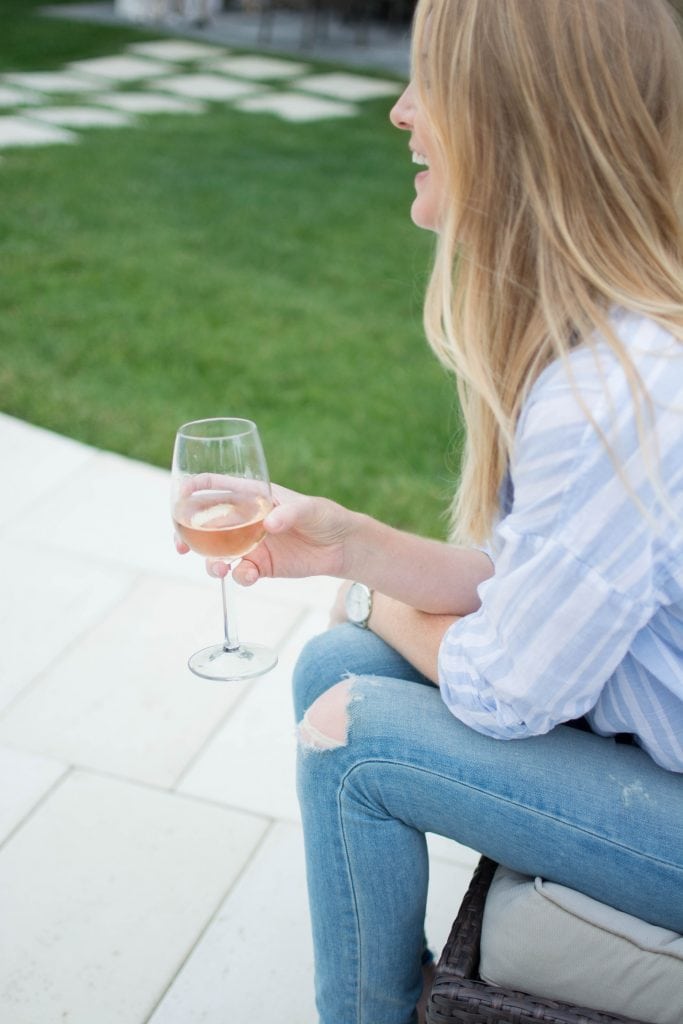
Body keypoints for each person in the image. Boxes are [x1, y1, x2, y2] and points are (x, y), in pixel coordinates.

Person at [177, 1, 683, 1020]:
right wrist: (346, 544)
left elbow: (505, 691)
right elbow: (528, 582)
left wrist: (366, 596)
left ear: (511, 117)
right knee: (332, 665)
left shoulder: (617, 392)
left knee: (350, 727)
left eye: (428, 83)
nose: (402, 112)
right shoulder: (605, 340)